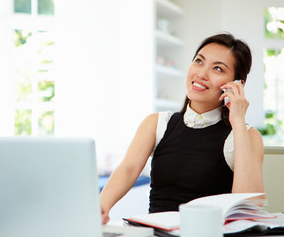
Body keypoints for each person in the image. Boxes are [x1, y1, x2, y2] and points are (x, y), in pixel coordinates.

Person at [100, 33, 264, 224]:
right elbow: (127, 170)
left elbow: (251, 207)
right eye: (199, 61)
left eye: (217, 68)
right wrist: (98, 208)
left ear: (236, 84)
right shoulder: (156, 123)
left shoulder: (247, 136)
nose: (201, 74)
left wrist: (238, 121)